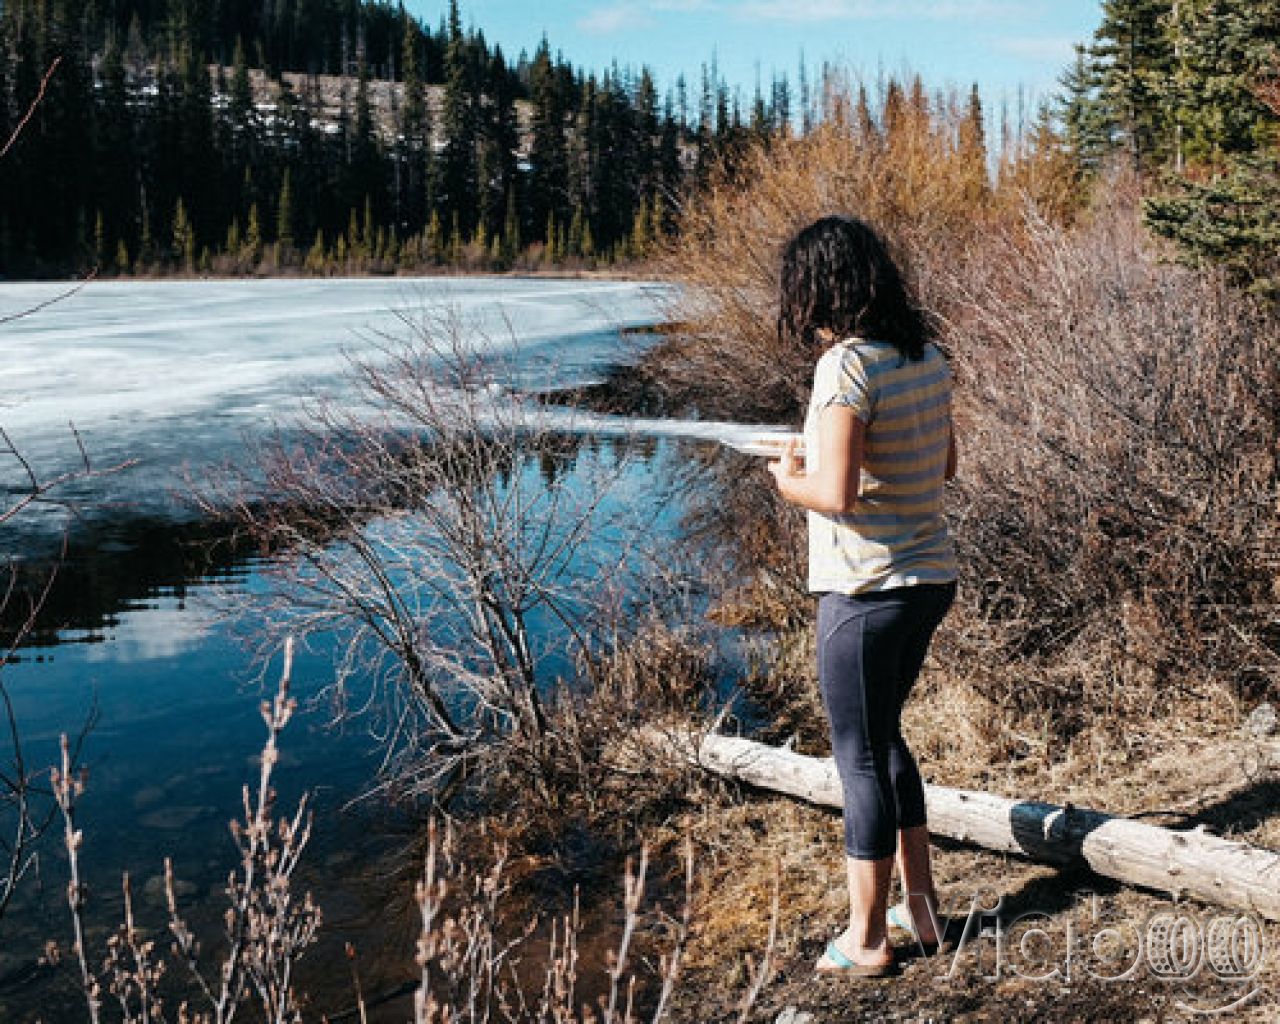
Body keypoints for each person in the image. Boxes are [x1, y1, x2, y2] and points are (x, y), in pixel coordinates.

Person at [767, 215, 958, 975]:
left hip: (866, 589)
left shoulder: (846, 366)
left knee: (858, 756)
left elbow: (837, 492)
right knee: (886, 741)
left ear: (822, 287)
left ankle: (867, 939)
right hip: (927, 580)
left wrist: (788, 481)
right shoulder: (926, 355)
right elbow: (941, 466)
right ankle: (922, 911)